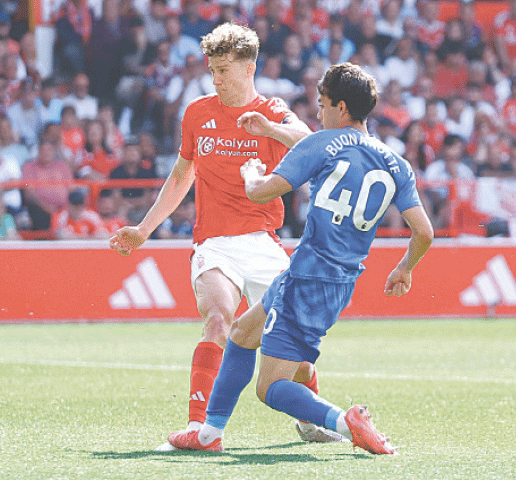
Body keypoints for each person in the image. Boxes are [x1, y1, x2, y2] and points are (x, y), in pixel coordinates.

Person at [167, 62, 434, 455]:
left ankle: (347, 420)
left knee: (270, 388)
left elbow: (261, 192)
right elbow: (424, 232)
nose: (319, 113)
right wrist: (404, 267)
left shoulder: (322, 143)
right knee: (241, 333)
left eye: (323, 104)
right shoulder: (396, 163)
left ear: (341, 108)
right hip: (335, 280)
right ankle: (208, 434)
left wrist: (251, 173)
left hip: (308, 277)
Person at [109, 22, 323, 450]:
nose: (216, 79)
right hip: (215, 243)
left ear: (249, 68)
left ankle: (309, 418)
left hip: (264, 243)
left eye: (224, 70)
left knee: (291, 352)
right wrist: (143, 229)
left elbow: (312, 143)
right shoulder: (197, 113)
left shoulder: (272, 110)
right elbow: (181, 175)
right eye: (213, 70)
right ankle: (201, 428)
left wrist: (268, 130)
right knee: (219, 319)